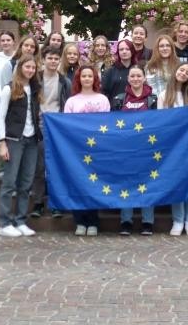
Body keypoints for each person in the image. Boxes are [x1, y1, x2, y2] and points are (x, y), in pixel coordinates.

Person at [0, 55, 42, 238]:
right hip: (14, 140)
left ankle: (21, 220)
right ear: (20, 67)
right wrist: (2, 143)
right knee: (9, 182)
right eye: (27, 67)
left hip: (31, 140)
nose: (30, 70)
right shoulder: (9, 88)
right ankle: (4, 222)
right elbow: (0, 117)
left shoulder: (35, 88)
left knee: (26, 182)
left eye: (33, 67)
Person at [159, 61, 188, 236]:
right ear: (175, 71)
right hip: (173, 148)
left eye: (187, 72)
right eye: (181, 70)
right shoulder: (165, 95)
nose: (183, 74)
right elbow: (160, 121)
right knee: (177, 181)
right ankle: (178, 220)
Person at [63, 65, 111, 236]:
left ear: (95, 79)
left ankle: (93, 222)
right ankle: (80, 221)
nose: (87, 79)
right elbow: (66, 126)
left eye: (90, 76)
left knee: (94, 184)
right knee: (78, 184)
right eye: (84, 76)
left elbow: (106, 124)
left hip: (96, 149)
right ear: (79, 79)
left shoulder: (103, 100)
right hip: (77, 149)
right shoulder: (72, 101)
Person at [113, 65, 158, 235]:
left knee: (148, 183)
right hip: (125, 149)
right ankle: (126, 221)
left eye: (139, 75)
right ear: (128, 78)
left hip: (147, 148)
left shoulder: (153, 99)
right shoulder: (119, 99)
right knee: (126, 182)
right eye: (133, 76)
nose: (136, 79)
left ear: (144, 78)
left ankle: (147, 221)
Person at [31, 47, 71, 219]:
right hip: (37, 126)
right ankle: (38, 202)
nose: (53, 61)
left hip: (56, 129)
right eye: (50, 58)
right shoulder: (35, 79)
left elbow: (66, 104)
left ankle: (56, 203)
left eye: (56, 58)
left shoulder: (64, 81)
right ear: (43, 59)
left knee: (55, 167)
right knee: (39, 167)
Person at [101, 38, 134, 105]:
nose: (124, 51)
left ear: (132, 51)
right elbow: (104, 92)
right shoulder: (110, 71)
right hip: (115, 110)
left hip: (134, 108)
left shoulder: (137, 70)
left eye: (127, 49)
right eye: (121, 49)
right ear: (118, 52)